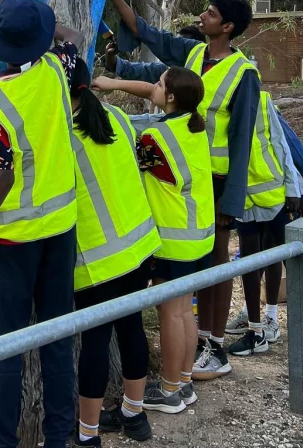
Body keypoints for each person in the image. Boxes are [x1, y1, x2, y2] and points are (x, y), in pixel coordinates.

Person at [95, 0, 259, 381]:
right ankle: (194, 349)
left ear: (228, 26)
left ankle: (215, 344)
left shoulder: (244, 75)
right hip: (186, 178)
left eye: (210, 13)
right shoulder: (190, 54)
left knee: (215, 263)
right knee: (191, 272)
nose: (202, 16)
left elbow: (241, 141)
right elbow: (144, 31)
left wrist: (231, 202)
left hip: (216, 181)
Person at [0, 0, 81, 448]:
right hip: (61, 228)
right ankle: (58, 437)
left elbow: (1, 172)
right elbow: (71, 38)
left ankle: (3, 442)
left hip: (12, 239)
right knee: (56, 336)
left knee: (7, 349)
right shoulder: (56, 70)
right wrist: (47, 27)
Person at [93, 67, 214, 414]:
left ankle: (169, 391)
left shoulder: (154, 139)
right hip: (198, 236)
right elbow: (151, 92)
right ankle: (185, 382)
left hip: (174, 239)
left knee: (171, 315)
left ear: (172, 97)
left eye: (160, 84)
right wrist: (113, 83)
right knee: (184, 311)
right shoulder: (193, 126)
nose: (153, 88)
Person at [69, 58, 160, 446]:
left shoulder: (62, 134)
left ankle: (88, 434)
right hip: (138, 246)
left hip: (96, 259)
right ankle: (133, 415)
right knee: (132, 330)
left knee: (94, 343)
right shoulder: (118, 118)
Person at [226, 95, 303, 352]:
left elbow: (282, 143)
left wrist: (295, 189)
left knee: (274, 256)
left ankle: (271, 318)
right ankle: (254, 326)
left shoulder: (261, 100)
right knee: (249, 262)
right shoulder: (215, 104)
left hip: (273, 194)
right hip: (243, 198)